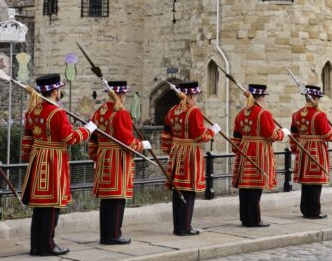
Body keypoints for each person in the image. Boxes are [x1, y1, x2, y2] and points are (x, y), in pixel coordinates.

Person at [21, 73, 95, 255]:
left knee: (40, 207)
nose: (60, 91)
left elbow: (27, 139)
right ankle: (47, 245)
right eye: (59, 89)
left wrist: (27, 158)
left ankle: (36, 245)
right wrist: (87, 130)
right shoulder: (57, 112)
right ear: (54, 91)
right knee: (52, 206)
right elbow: (69, 137)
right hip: (53, 160)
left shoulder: (32, 110)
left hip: (37, 159)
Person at [87, 81, 150, 244]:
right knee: (117, 198)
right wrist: (141, 146)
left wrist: (95, 156)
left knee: (107, 200)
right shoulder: (121, 113)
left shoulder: (99, 111)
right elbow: (127, 141)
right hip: (118, 159)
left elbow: (93, 138)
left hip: (103, 157)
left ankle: (105, 234)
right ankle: (114, 234)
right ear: (121, 95)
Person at [161, 81, 218, 235]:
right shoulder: (194, 111)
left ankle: (177, 226)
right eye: (195, 95)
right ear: (191, 95)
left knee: (178, 190)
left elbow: (166, 134)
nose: (196, 98)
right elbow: (200, 136)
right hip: (190, 153)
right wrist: (212, 132)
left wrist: (168, 151)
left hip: (176, 151)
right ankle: (185, 227)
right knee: (188, 190)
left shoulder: (172, 110)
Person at [231, 84, 286, 227]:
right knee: (255, 188)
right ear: (260, 97)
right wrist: (282, 133)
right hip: (259, 151)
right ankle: (254, 220)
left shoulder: (241, 113)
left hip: (244, 151)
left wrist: (238, 151)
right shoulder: (264, 113)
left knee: (245, 188)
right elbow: (270, 135)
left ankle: (245, 218)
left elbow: (236, 136)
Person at [291, 85, 332, 218]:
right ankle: (314, 211)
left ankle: (305, 209)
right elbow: (327, 134)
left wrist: (295, 150)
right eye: (318, 98)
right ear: (315, 98)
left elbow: (293, 135)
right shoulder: (319, 114)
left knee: (306, 183)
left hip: (302, 148)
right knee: (315, 183)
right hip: (316, 149)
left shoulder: (296, 114)